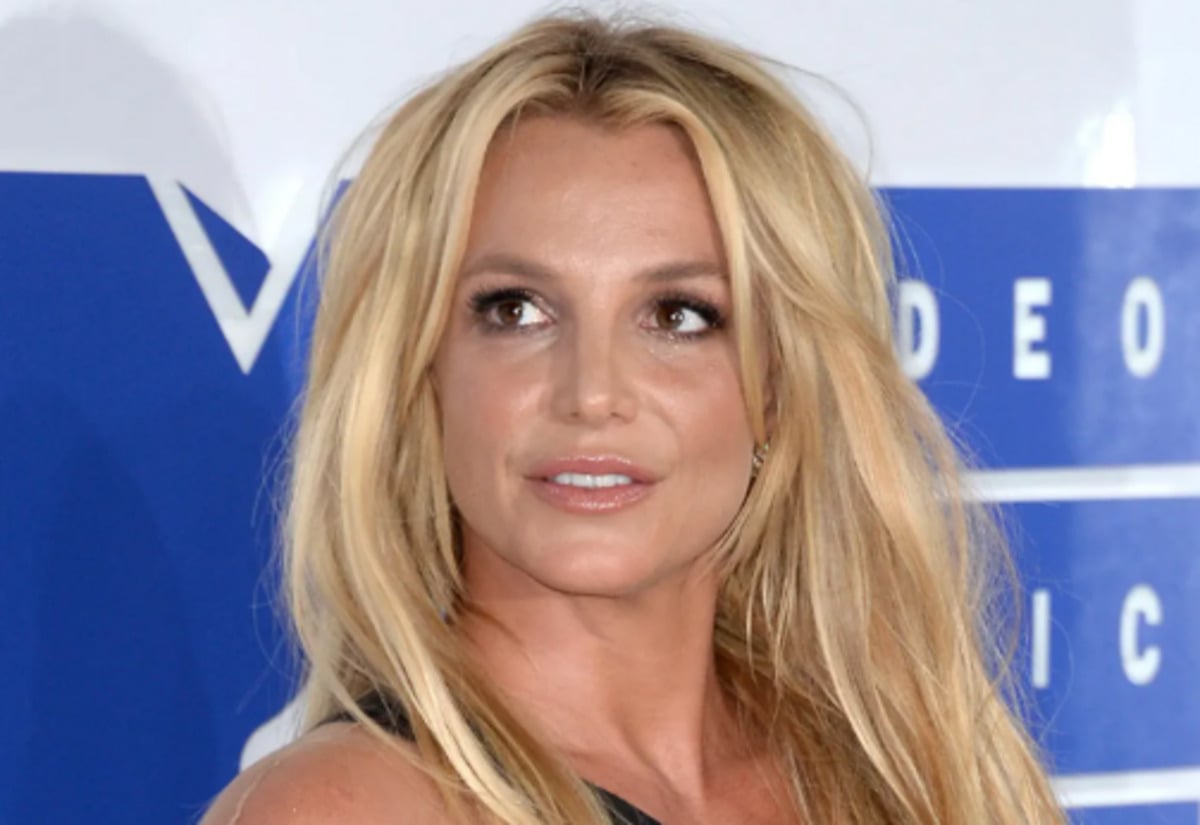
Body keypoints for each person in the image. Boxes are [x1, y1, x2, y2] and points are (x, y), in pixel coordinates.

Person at [202, 10, 1064, 825]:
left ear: (777, 383)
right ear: (422, 370)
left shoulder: (907, 772)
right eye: (515, 310)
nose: (592, 393)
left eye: (680, 315)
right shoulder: (344, 807)